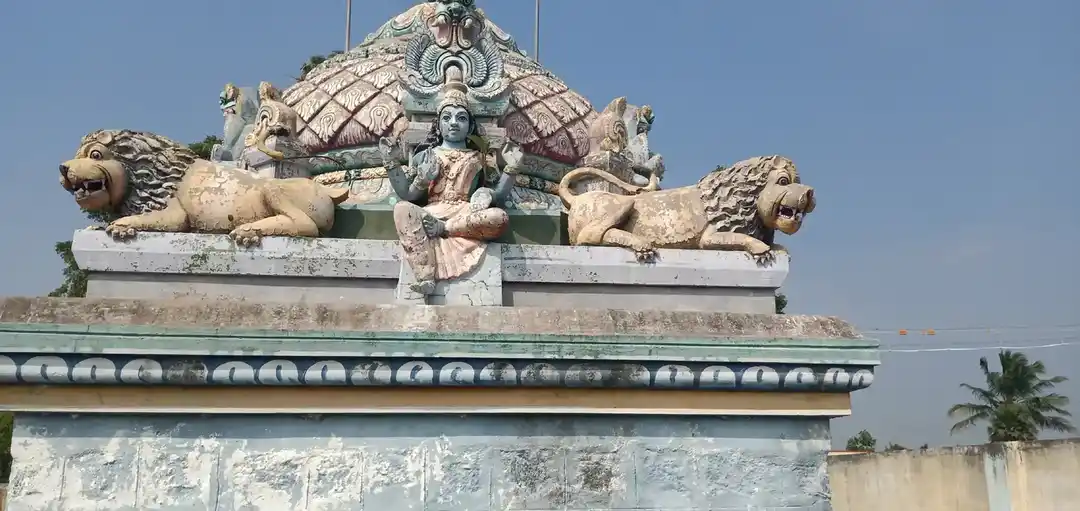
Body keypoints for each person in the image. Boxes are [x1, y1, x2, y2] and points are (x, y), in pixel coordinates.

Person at [378, 68, 523, 296]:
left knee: (498, 217)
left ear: (470, 126)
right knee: (402, 209)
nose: (454, 123)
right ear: (438, 124)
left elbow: (498, 195)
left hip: (465, 216)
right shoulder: (425, 156)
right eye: (447, 118)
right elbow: (407, 194)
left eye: (461, 118)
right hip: (430, 213)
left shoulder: (481, 158)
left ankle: (445, 229)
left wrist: (509, 171)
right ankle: (425, 276)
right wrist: (401, 168)